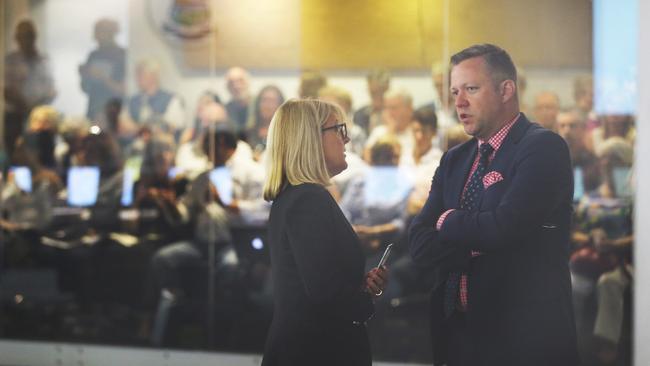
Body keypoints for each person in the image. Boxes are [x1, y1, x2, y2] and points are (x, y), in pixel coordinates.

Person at [408, 44, 578, 366]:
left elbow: (505, 228)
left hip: (523, 338)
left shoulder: (543, 147)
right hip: (456, 334)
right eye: (455, 91)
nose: (459, 102)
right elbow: (418, 242)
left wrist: (448, 222)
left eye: (471, 89)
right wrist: (474, 246)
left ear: (506, 90)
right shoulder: (455, 159)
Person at [261, 99, 388, 366]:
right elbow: (325, 294)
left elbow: (317, 281)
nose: (347, 139)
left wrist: (358, 285)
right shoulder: (308, 200)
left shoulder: (294, 197)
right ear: (310, 138)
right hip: (319, 351)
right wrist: (362, 302)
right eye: (338, 129)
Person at [78, 18, 126, 120]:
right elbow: (85, 88)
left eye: (98, 33)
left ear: (109, 34)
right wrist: (84, 75)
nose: (95, 37)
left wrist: (103, 78)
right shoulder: (93, 55)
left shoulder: (121, 55)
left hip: (114, 112)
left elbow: (124, 89)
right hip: (93, 109)